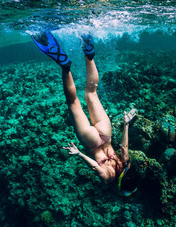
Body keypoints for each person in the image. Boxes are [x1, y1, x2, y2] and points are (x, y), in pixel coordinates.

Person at [31, 31, 137, 196]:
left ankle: (89, 55)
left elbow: (124, 146)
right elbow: (95, 166)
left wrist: (126, 124)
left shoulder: (127, 164)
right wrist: (79, 153)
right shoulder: (109, 179)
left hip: (106, 134)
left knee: (92, 93)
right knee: (73, 102)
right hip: (91, 143)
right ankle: (65, 66)